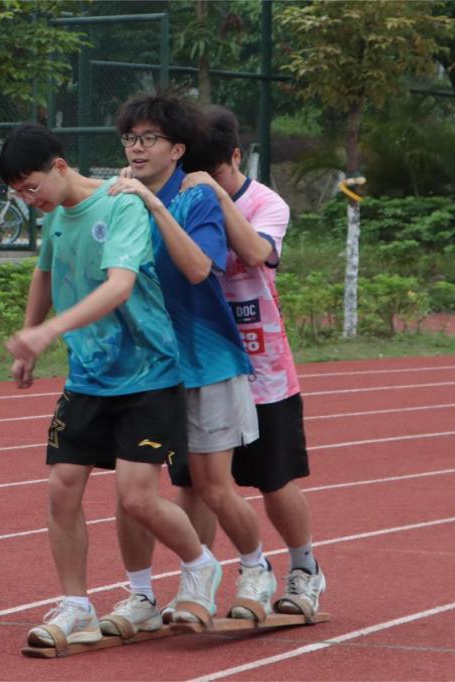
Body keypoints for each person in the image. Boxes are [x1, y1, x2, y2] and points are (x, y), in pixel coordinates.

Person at [0, 123, 219, 648]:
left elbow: (120, 287)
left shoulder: (121, 203)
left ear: (59, 166)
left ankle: (200, 566)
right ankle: (77, 605)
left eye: (32, 187)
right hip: (89, 376)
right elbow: (45, 274)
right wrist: (31, 336)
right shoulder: (56, 215)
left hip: (148, 374)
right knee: (62, 488)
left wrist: (50, 331)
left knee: (136, 498)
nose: (30, 201)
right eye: (18, 194)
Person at [100, 91, 274, 632]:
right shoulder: (116, 197)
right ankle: (143, 595)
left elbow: (200, 268)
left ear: (177, 149)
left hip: (206, 360)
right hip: (144, 368)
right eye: (130, 139)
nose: (136, 148)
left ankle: (255, 570)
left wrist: (153, 205)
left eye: (148, 139)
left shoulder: (195, 198)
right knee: (134, 493)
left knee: (211, 485)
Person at [176, 105, 326, 620]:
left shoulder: (266, 202)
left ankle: (304, 570)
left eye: (215, 172)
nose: (203, 181)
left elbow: (257, 253)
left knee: (273, 478)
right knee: (192, 483)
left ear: (236, 157)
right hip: (200, 361)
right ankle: (197, 581)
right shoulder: (178, 197)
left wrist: (216, 196)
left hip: (264, 370)